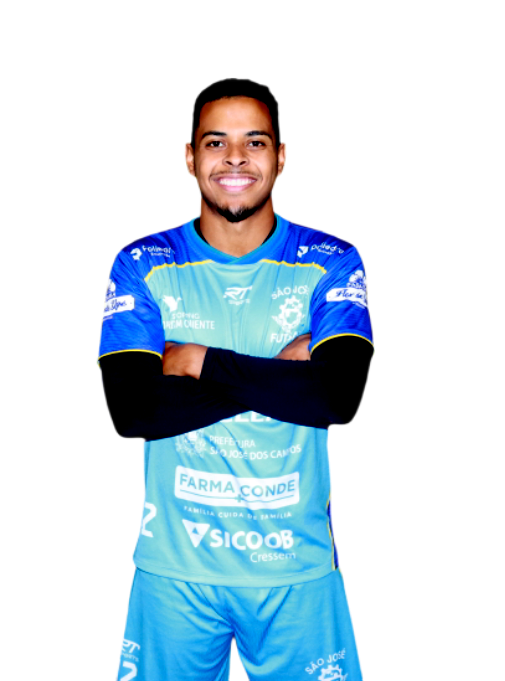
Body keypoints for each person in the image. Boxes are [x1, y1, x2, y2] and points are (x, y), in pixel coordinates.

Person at [98, 77, 374, 681]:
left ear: (281, 156)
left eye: (255, 142)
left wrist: (196, 360)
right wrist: (282, 378)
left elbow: (344, 399)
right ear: (189, 156)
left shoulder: (331, 260)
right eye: (215, 142)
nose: (235, 159)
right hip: (174, 569)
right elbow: (130, 411)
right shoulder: (141, 262)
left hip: (296, 568)